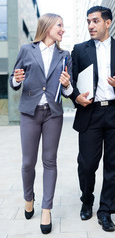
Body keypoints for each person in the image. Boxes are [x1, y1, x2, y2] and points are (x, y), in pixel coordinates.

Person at [70, 6, 115, 232]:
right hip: (90, 112)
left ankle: (106, 210)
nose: (91, 25)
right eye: (88, 21)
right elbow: (71, 83)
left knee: (114, 166)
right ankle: (87, 200)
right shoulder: (79, 50)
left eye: (95, 21)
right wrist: (76, 97)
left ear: (108, 23)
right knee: (87, 163)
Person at [10, 13, 73, 235]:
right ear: (47, 27)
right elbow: (13, 80)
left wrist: (66, 85)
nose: (63, 30)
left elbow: (69, 89)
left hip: (53, 114)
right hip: (29, 112)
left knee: (50, 161)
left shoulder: (65, 55)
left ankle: (46, 208)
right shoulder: (27, 50)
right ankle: (29, 197)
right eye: (60, 26)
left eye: (63, 27)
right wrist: (17, 78)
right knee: (28, 163)